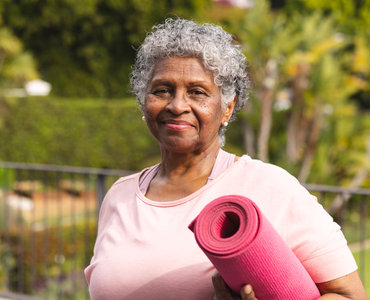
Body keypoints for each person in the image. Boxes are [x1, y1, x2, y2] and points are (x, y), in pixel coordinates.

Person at [84, 18, 366, 300]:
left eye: (197, 92)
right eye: (162, 90)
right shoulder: (119, 195)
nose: (177, 105)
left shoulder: (270, 186)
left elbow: (350, 296)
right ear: (144, 100)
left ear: (227, 108)